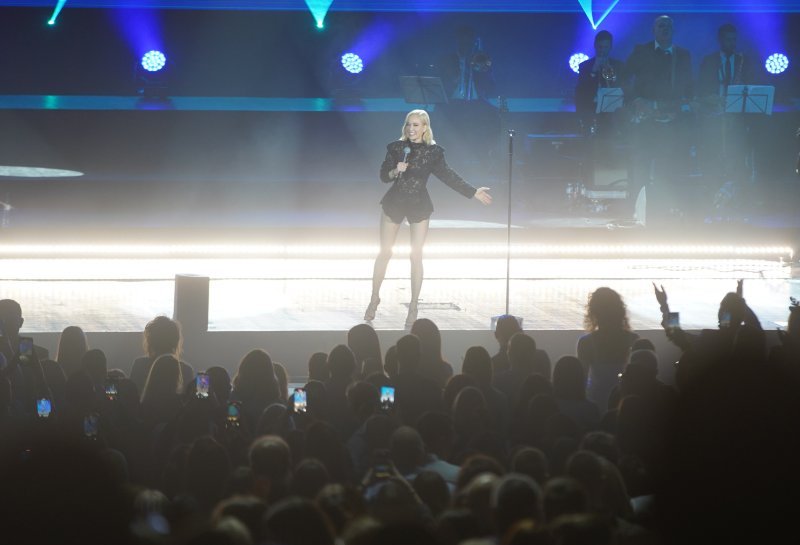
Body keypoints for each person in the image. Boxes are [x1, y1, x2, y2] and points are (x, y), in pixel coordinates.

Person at [364, 109, 492, 327]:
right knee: (385, 252)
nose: (411, 129)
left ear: (425, 127)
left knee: (416, 255)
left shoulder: (433, 152)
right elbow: (383, 176)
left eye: (416, 125)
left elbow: (448, 175)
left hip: (418, 204)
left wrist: (472, 192)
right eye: (408, 125)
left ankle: (414, 305)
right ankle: (374, 297)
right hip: (394, 202)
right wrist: (396, 170)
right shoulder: (396, 148)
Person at [623, 15, 694, 223]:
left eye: (669, 26)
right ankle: (635, 213)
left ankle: (664, 214)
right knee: (641, 168)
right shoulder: (641, 51)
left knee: (668, 169)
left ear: (674, 30)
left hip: (671, 124)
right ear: (653, 30)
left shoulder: (683, 55)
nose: (665, 28)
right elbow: (624, 78)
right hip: (645, 123)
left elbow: (689, 87)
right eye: (660, 25)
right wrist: (636, 101)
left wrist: (681, 107)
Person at [577, 288, 639, 407]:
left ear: (594, 312)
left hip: (596, 403)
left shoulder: (586, 343)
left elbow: (582, 381)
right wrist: (665, 306)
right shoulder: (633, 340)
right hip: (626, 405)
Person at [575, 30, 625, 133]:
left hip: (611, 113)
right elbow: (581, 91)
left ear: (610, 47)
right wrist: (593, 71)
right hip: (589, 110)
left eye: (605, 47)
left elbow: (621, 88)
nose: (602, 50)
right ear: (595, 46)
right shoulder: (585, 66)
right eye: (600, 47)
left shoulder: (618, 65)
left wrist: (610, 74)